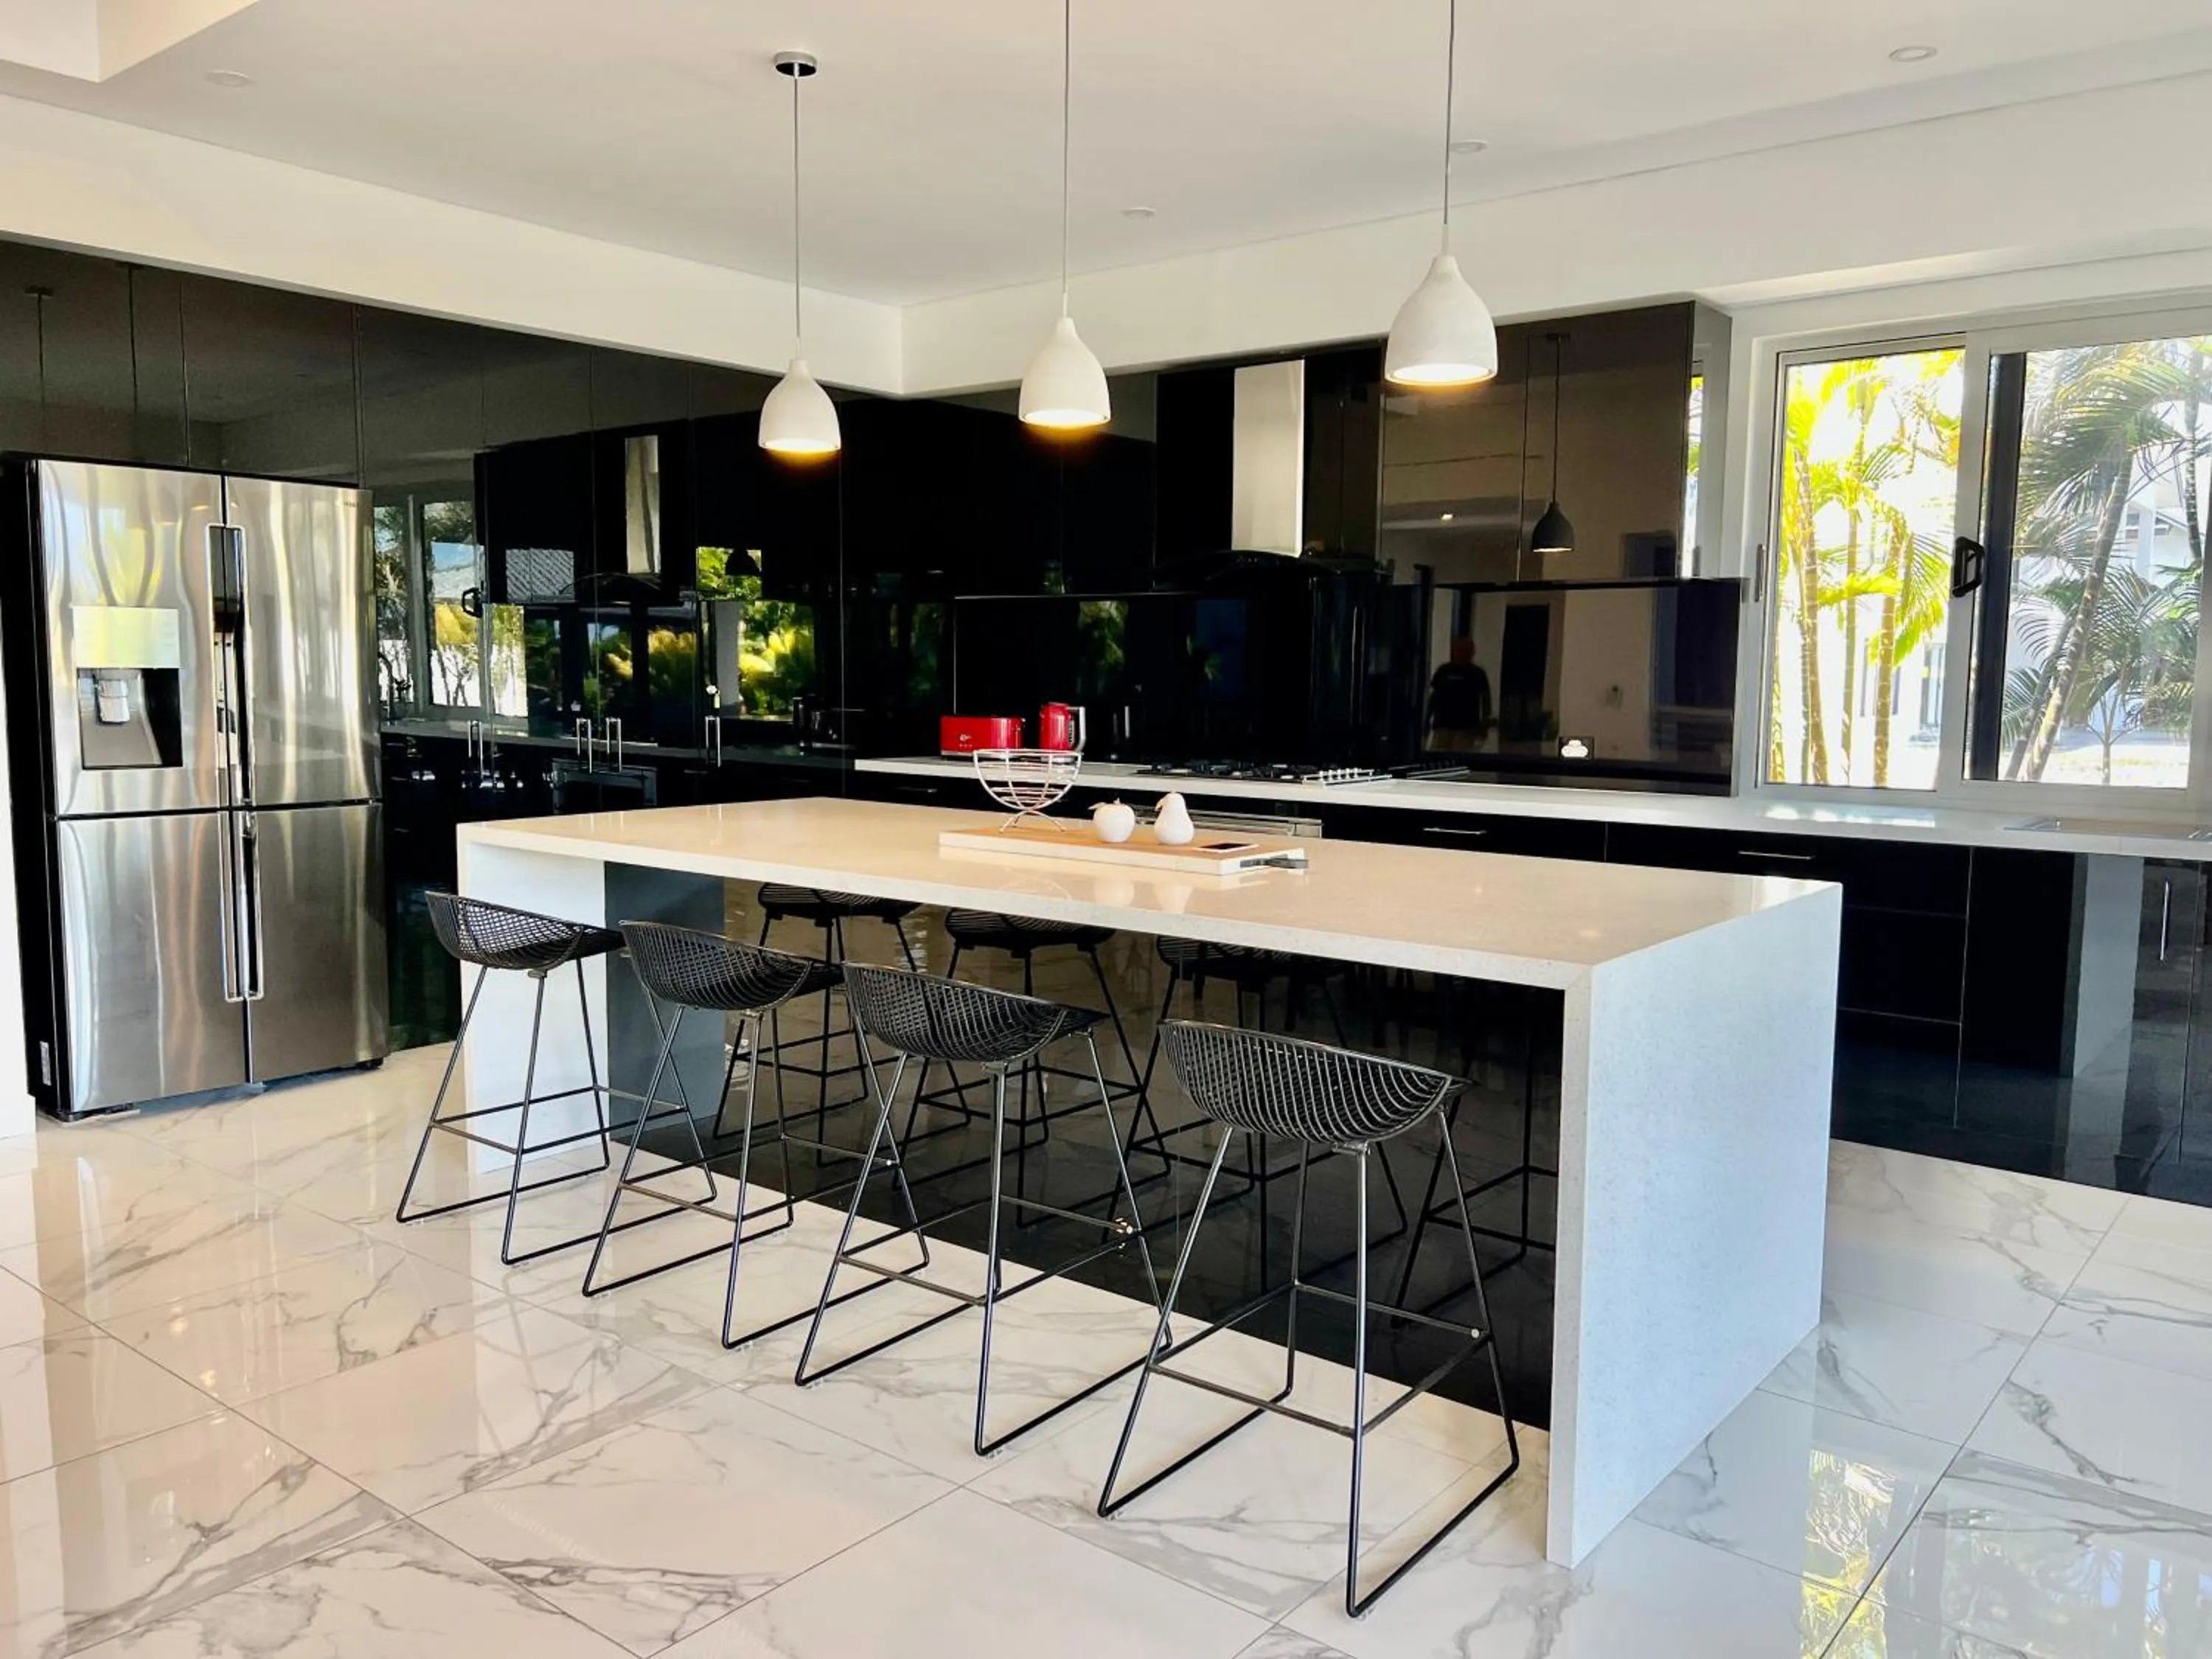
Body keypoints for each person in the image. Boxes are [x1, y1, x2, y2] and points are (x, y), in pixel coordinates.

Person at [1426, 636, 1492, 752]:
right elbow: (1434, 696)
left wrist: (1484, 724)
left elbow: (1486, 700)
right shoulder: (1444, 671)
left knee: (1458, 759)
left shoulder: (1476, 673)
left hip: (1465, 727)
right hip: (1443, 725)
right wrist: (1427, 718)